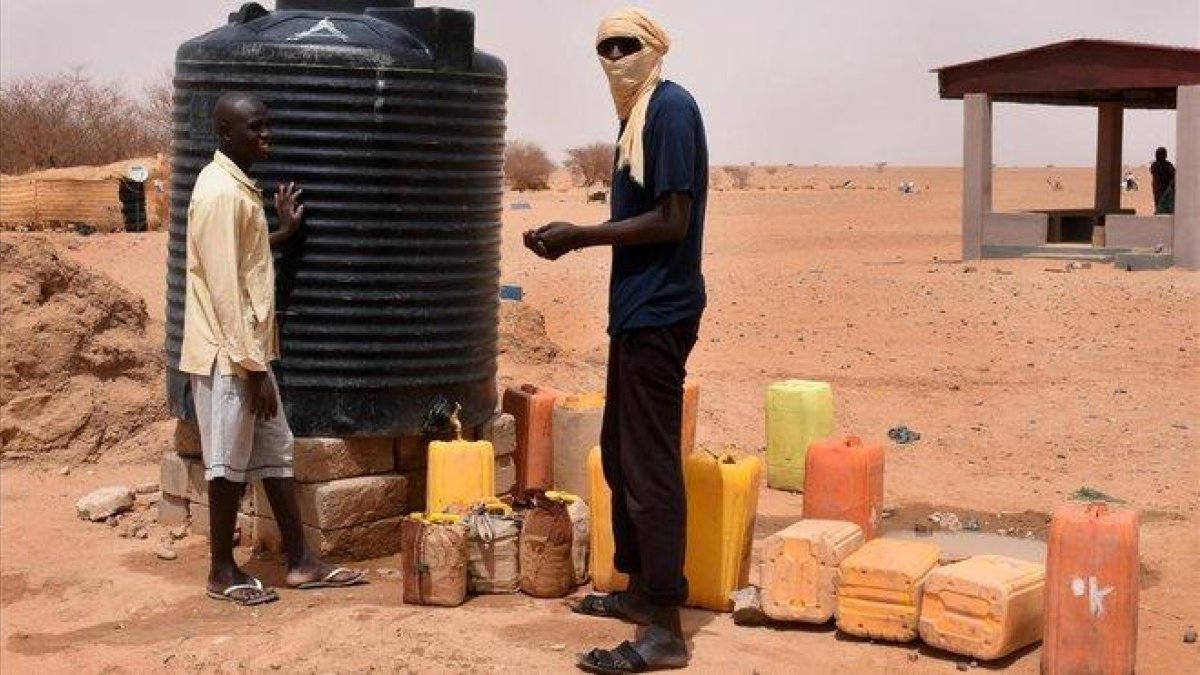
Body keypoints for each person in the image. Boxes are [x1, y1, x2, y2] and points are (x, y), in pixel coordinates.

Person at [523, 8, 707, 673]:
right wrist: (576, 236)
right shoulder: (636, 117)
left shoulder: (671, 109)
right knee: (620, 454)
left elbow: (671, 217)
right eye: (607, 47)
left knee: (650, 467)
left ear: (654, 48)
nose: (618, 55)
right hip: (636, 310)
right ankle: (637, 591)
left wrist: (582, 236)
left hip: (661, 311)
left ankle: (666, 625)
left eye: (629, 44)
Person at [179, 92, 365, 605]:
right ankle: (220, 570)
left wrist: (280, 234)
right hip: (228, 356)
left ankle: (302, 561)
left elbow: (244, 259)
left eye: (268, 125)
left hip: (250, 353)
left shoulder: (238, 188)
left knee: (276, 451)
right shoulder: (219, 194)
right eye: (256, 127)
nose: (268, 135)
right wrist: (253, 368)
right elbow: (222, 287)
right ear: (226, 133)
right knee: (226, 462)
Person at [1151, 147, 1175, 215]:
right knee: (1158, 203)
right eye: (1158, 154)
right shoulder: (1155, 165)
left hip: (1166, 189)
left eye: (1161, 154)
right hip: (1158, 188)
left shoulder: (1168, 165)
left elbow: (1173, 176)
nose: (1158, 156)